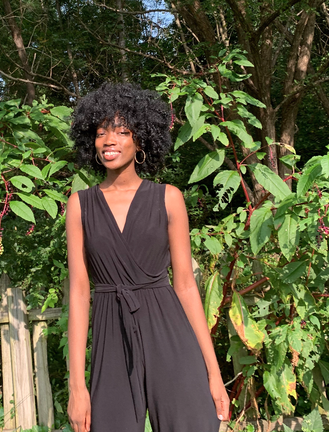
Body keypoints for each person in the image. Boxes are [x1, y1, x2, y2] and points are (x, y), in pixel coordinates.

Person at [66, 83, 229, 432]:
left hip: (168, 329)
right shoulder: (80, 206)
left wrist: (213, 373)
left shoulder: (168, 199)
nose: (109, 140)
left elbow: (185, 286)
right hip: (111, 333)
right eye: (100, 132)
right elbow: (79, 293)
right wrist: (76, 385)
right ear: (90, 142)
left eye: (122, 131)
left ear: (141, 140)